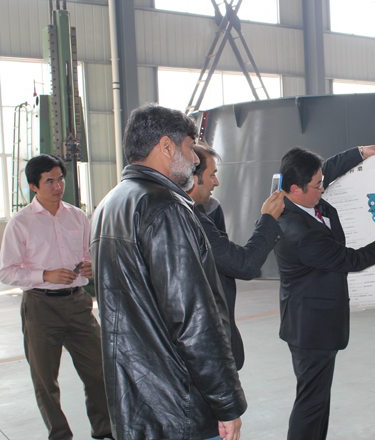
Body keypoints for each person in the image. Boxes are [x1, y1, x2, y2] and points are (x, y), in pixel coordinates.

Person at [89, 104, 246, 440]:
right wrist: (226, 403)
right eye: (190, 148)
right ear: (166, 146)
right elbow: (192, 320)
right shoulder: (165, 208)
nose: (194, 160)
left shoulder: (109, 205)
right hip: (179, 407)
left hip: (136, 403)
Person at [274, 145, 375, 440]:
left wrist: (359, 153)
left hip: (313, 322)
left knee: (318, 400)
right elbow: (351, 260)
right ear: (296, 189)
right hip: (312, 329)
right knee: (311, 403)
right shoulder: (299, 231)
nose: (323, 188)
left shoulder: (294, 197)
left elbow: (326, 171)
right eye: (317, 186)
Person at [0, 154, 112, 440]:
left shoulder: (77, 216)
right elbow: (6, 272)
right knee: (45, 380)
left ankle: (105, 429)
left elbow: (87, 254)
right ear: (33, 186)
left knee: (99, 371)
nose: (58, 186)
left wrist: (91, 266)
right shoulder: (20, 223)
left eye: (60, 179)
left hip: (78, 304)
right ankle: (60, 434)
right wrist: (45, 275)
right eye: (49, 181)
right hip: (40, 307)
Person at [187, 145, 285, 370]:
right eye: (212, 175)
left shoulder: (199, 212)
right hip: (206, 348)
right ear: (193, 177)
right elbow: (244, 264)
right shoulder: (191, 221)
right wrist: (268, 219)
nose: (216, 182)